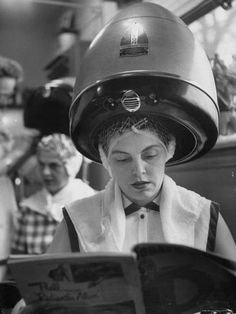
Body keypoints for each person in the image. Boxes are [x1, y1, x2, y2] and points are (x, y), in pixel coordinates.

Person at [47, 2, 236, 261]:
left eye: (150, 155)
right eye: (122, 159)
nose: (138, 171)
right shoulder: (77, 218)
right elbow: (42, 287)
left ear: (169, 148)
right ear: (104, 157)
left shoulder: (203, 215)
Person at [12, 133, 95, 254]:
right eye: (41, 164)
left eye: (53, 165)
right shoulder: (29, 210)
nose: (45, 172)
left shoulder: (90, 203)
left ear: (69, 166)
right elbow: (18, 263)